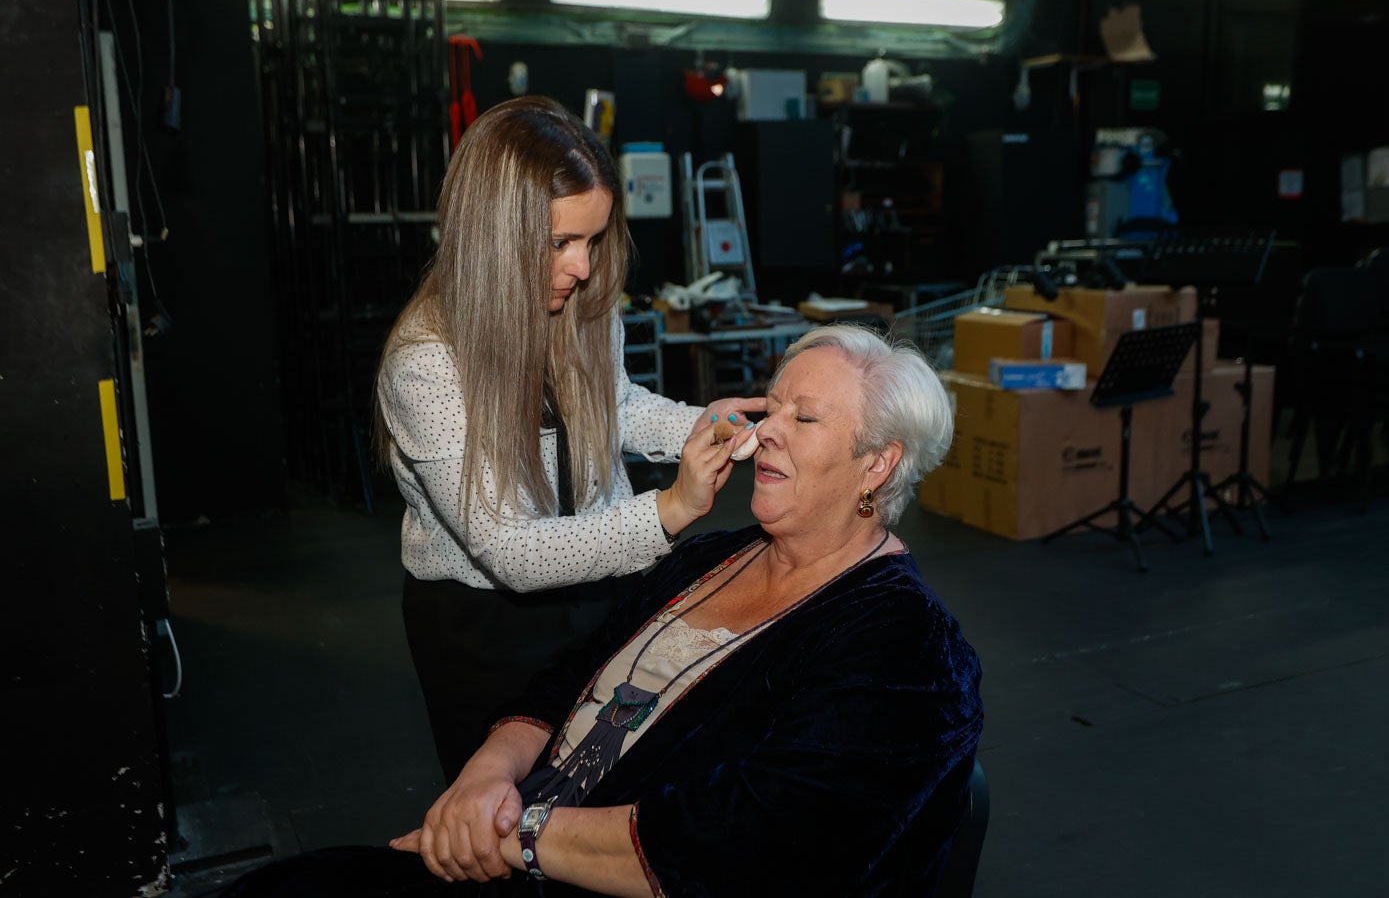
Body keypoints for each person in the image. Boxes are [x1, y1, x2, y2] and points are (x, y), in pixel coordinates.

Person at [226, 324, 983, 897]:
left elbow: (751, 841)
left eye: (804, 420)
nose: (765, 430)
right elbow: (563, 680)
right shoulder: (708, 557)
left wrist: (515, 833)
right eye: (771, 404)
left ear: (877, 464)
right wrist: (482, 777)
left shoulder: (907, 646)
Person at [374, 95, 762, 780]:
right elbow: (511, 550)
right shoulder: (427, 363)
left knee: (605, 782)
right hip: (486, 624)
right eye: (559, 243)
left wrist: (701, 425)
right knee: (505, 818)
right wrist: (669, 508)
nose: (582, 267)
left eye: (592, 239)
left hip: (600, 586)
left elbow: (615, 406)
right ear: (493, 237)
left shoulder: (579, 304)